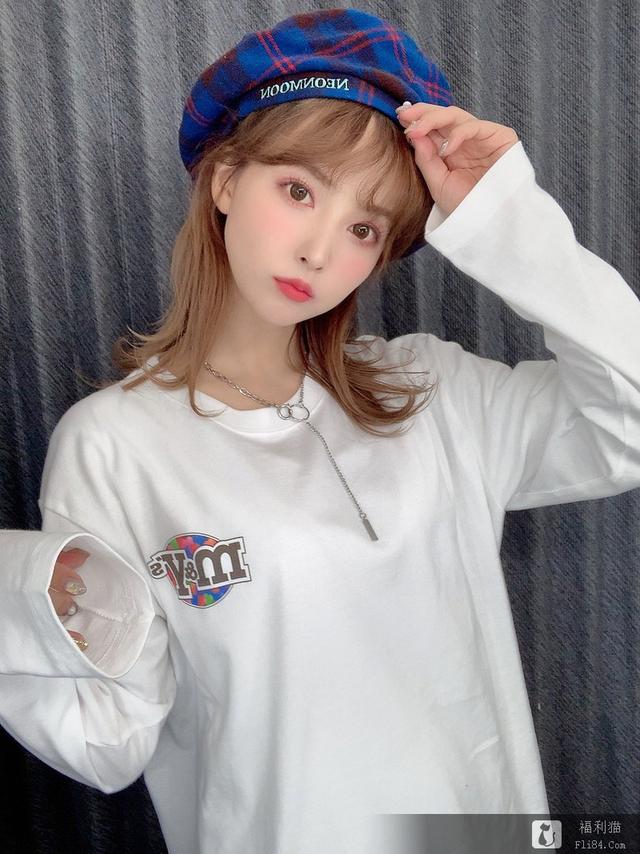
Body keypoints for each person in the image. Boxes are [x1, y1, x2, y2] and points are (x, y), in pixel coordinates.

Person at [1, 7, 639, 854]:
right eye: (299, 190)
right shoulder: (114, 445)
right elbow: (104, 739)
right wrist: (25, 593)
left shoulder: (432, 392)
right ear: (226, 181)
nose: (318, 251)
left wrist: (505, 217)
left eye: (363, 228)